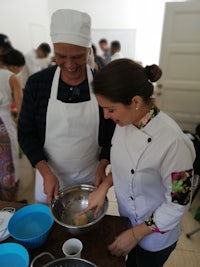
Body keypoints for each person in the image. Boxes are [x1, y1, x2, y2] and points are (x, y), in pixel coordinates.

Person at [82, 59, 196, 267]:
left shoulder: (174, 144)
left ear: (135, 101)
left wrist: (135, 234)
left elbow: (178, 203)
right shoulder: (126, 121)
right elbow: (125, 165)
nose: (106, 116)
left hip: (155, 235)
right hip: (128, 220)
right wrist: (104, 187)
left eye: (110, 109)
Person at [18, 9, 115, 204]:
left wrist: (103, 164)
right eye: (61, 56)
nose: (69, 64)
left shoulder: (103, 84)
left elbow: (113, 133)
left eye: (78, 56)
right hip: (49, 177)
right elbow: (26, 133)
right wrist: (45, 172)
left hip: (90, 177)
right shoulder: (37, 84)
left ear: (89, 51)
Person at [0, 49, 25, 201]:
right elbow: (21, 105)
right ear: (14, 66)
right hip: (4, 124)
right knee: (9, 162)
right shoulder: (11, 77)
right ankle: (11, 201)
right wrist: (19, 120)